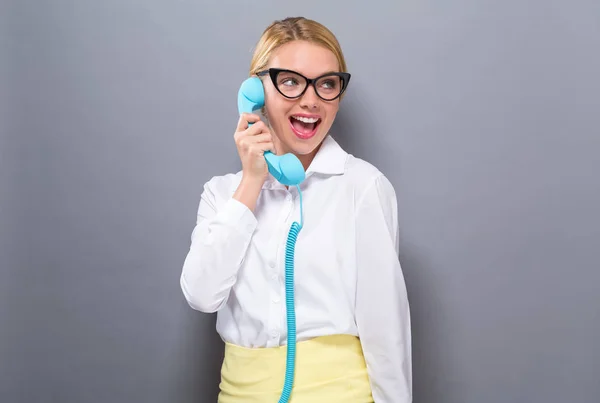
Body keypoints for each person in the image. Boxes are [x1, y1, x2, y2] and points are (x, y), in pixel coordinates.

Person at [180, 16, 412, 403]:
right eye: (290, 81)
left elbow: (386, 326)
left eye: (327, 84)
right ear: (255, 90)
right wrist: (252, 182)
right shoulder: (223, 194)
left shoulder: (362, 186)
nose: (311, 100)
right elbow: (202, 296)